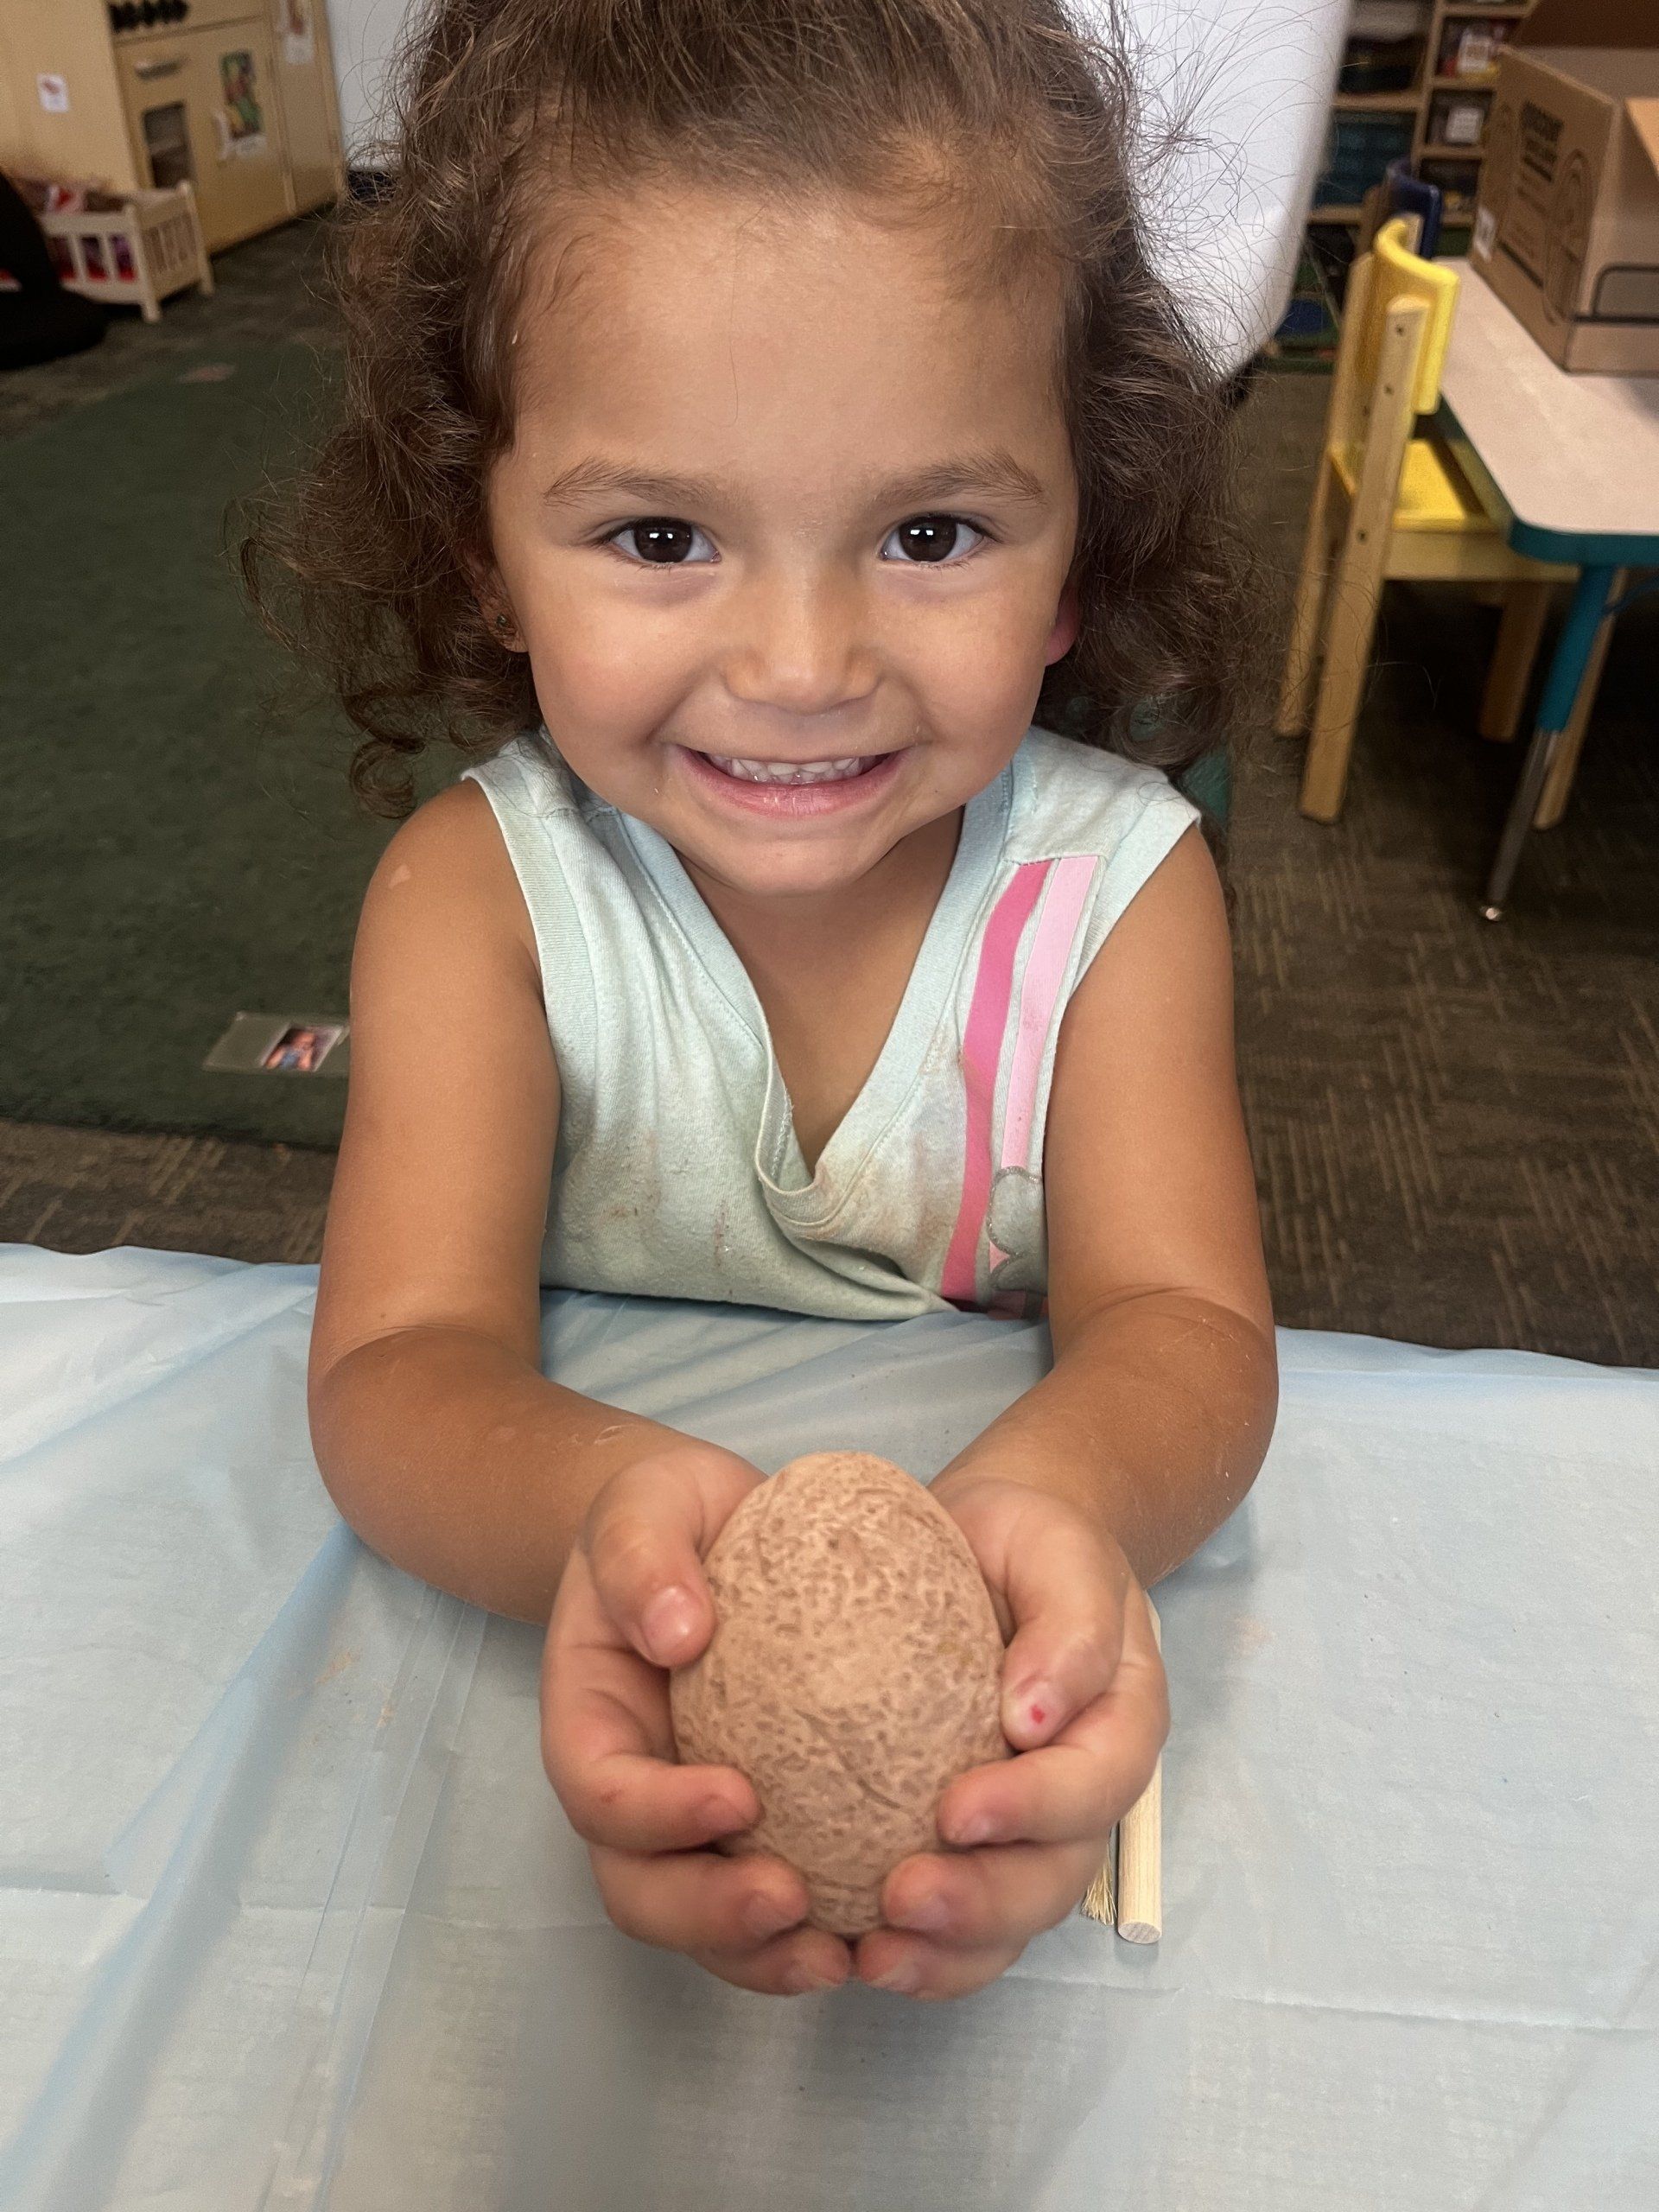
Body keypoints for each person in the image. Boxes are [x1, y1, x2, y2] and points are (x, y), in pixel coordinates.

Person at [247, 0, 1278, 2005]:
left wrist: (1037, 1517)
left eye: (928, 533)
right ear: (487, 554)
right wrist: (625, 1534)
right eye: (658, 535)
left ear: (1076, 550)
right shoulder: (484, 905)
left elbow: (1189, 1329)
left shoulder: (1118, 900)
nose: (802, 662)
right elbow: (395, 1368)